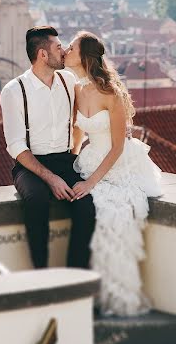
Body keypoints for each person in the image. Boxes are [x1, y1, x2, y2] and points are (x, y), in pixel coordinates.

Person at [64, 31, 162, 316]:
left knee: (112, 215)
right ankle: (96, 291)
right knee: (94, 213)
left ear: (84, 57)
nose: (66, 51)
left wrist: (91, 182)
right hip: (90, 159)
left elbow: (119, 146)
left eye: (71, 48)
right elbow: (78, 132)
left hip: (118, 162)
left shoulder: (111, 94)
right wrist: (70, 161)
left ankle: (116, 293)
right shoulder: (77, 89)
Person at [0, 26, 96, 270]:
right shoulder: (14, 90)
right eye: (58, 47)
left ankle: (77, 273)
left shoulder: (68, 80)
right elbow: (16, 145)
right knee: (36, 200)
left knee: (87, 205)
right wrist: (51, 179)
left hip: (65, 160)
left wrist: (72, 155)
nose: (63, 51)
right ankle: (41, 273)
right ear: (43, 54)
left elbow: (79, 120)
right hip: (29, 165)